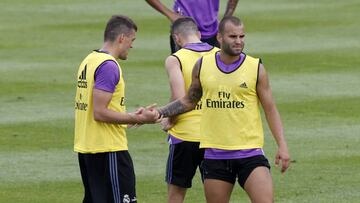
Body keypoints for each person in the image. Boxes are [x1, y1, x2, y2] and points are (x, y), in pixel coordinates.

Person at [155, 16, 290, 203]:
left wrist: (282, 145)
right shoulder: (202, 66)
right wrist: (159, 112)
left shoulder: (255, 68)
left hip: (250, 153)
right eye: (233, 36)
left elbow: (270, 109)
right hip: (216, 155)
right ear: (219, 37)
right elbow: (188, 101)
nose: (239, 41)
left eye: (242, 36)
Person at [74, 15, 159, 203]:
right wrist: (139, 119)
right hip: (108, 150)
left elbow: (93, 111)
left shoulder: (89, 60)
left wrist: (132, 117)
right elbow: (100, 112)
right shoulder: (109, 66)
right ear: (122, 38)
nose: (132, 46)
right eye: (132, 40)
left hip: (88, 148)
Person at [161, 17, 219, 203]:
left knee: (176, 195)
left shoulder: (175, 59)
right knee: (217, 196)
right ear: (200, 34)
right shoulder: (219, 55)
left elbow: (180, 98)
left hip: (185, 136)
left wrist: (169, 120)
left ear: (176, 38)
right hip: (214, 136)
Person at [145, 0, 239, 53]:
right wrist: (170, 14)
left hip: (212, 32)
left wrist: (226, 18)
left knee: (212, 81)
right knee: (185, 81)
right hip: (185, 31)